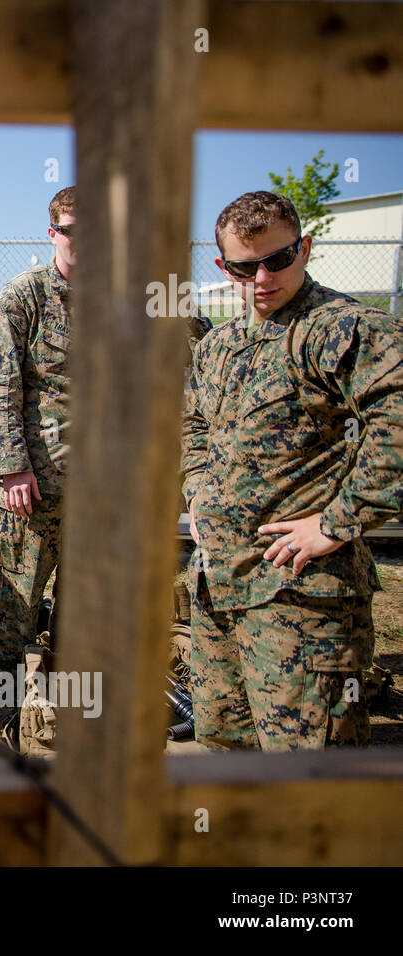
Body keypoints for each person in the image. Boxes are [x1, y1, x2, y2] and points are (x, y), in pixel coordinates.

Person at [182, 190, 403, 750]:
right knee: (225, 746)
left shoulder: (347, 330)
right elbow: (193, 423)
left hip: (303, 599)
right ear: (222, 266)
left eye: (278, 259)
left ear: (304, 249)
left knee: (306, 769)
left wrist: (335, 522)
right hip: (219, 587)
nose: (262, 277)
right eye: (244, 265)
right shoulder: (220, 347)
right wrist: (198, 489)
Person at [0, 186, 75, 753]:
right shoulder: (25, 297)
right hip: (35, 490)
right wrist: (12, 468)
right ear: (53, 233)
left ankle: (60, 707)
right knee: (17, 602)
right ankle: (5, 708)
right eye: (72, 230)